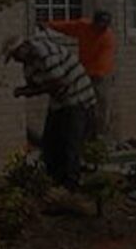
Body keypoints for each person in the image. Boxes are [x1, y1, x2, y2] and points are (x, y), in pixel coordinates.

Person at [7, 35, 97, 191]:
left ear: (23, 48)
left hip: (78, 99)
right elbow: (36, 84)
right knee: (50, 144)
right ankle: (54, 182)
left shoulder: (46, 53)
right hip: (59, 102)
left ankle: (71, 186)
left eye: (15, 56)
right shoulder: (29, 63)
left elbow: (58, 83)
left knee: (70, 144)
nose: (16, 60)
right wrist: (26, 90)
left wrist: (28, 91)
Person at [45, 10, 116, 138]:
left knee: (100, 104)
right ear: (94, 22)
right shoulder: (83, 26)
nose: (101, 28)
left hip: (99, 76)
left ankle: (101, 134)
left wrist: (91, 75)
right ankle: (85, 132)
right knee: (80, 103)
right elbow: (67, 27)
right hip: (83, 73)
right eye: (99, 24)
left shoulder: (107, 37)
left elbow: (103, 61)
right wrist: (49, 25)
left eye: (104, 25)